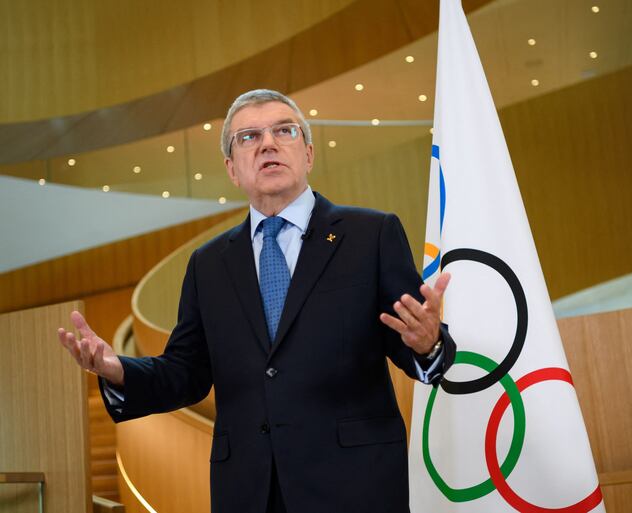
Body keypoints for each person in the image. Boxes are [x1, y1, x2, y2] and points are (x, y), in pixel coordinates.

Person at [57, 89, 455, 513]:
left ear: (308, 153)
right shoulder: (207, 265)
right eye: (248, 137)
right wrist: (117, 369)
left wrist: (427, 343)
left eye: (284, 131)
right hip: (249, 492)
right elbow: (186, 374)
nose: (267, 143)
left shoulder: (371, 235)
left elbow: (416, 345)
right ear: (232, 168)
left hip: (355, 486)